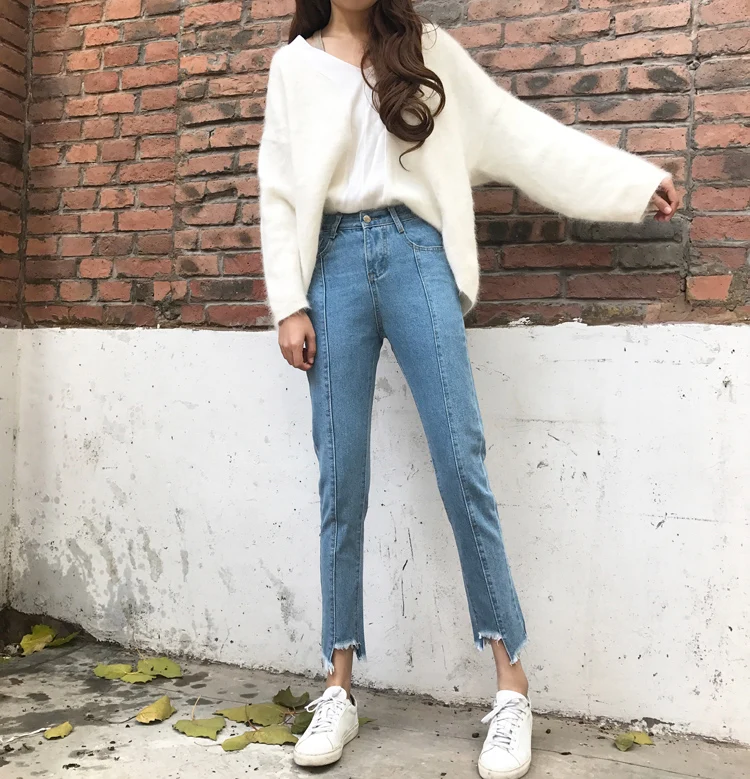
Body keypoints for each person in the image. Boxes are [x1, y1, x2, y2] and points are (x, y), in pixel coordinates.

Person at [258, 0, 681, 774]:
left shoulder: (426, 52)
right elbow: (279, 191)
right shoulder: (293, 67)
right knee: (340, 479)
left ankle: (512, 687)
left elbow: (521, 136)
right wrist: (289, 302)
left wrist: (629, 184)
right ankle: (338, 686)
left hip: (417, 252)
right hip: (333, 270)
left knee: (461, 462)